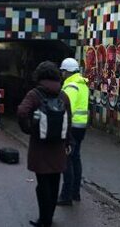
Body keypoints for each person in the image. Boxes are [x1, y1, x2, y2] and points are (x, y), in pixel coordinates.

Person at [17, 61, 73, 227]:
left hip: (40, 148)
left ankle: (44, 220)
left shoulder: (35, 94)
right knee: (55, 183)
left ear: (39, 76)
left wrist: (29, 129)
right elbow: (69, 120)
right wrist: (68, 141)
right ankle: (50, 216)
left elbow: (22, 112)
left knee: (43, 185)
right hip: (58, 147)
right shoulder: (63, 96)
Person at [57, 58, 89, 206]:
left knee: (67, 161)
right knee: (76, 158)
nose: (61, 73)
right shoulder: (82, 84)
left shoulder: (71, 86)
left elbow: (65, 108)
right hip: (81, 126)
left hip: (71, 127)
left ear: (67, 71)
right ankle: (75, 192)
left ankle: (66, 195)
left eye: (63, 71)